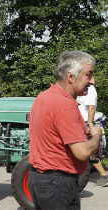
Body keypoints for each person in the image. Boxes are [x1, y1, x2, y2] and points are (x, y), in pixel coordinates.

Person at [28, 50, 102, 210]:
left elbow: (53, 134)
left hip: (39, 180)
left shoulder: (45, 96)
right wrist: (96, 136)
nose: (93, 81)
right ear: (70, 77)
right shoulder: (65, 105)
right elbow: (82, 153)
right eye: (88, 75)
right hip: (58, 184)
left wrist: (83, 134)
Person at [77, 85, 108, 186]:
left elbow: (92, 107)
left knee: (89, 152)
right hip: (82, 122)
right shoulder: (83, 88)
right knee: (89, 151)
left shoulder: (90, 89)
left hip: (86, 122)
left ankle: (103, 174)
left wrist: (89, 124)